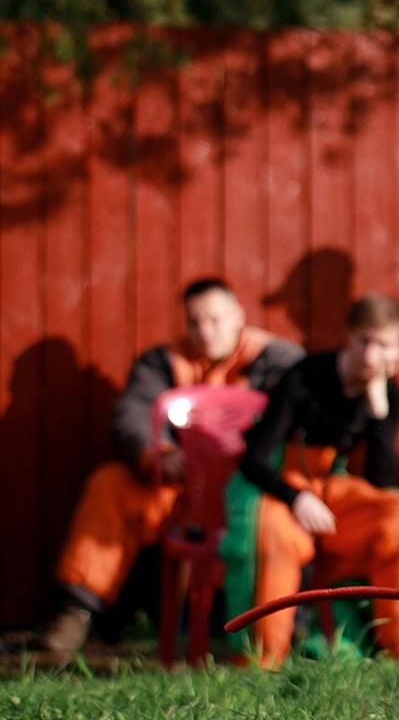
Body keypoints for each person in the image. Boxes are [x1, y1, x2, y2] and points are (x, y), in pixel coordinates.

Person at [40, 278, 304, 655]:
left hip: (251, 488)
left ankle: (284, 630)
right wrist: (161, 454)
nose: (205, 331)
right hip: (182, 487)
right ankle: (76, 614)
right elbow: (131, 415)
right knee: (110, 484)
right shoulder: (162, 361)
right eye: (195, 322)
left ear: (238, 317)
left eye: (215, 319)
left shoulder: (280, 361)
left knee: (283, 517)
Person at [241, 293, 399, 667]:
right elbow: (253, 459)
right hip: (283, 483)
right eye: (364, 341)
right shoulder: (304, 376)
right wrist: (296, 497)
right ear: (349, 337)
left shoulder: (390, 395)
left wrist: (378, 410)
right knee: (274, 534)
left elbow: (382, 480)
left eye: (383, 346)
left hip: (337, 487)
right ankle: (263, 658)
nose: (370, 355)